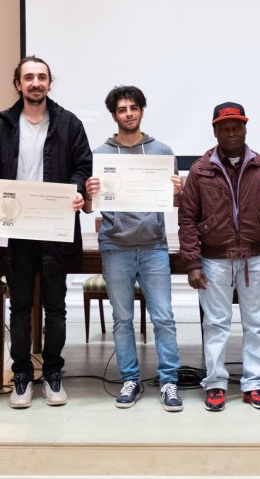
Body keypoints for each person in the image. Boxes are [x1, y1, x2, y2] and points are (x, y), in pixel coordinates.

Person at [0, 56, 92, 409]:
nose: (36, 82)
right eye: (29, 77)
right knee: (20, 307)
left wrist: (77, 190)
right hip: (15, 230)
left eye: (42, 77)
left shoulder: (69, 124)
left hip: (55, 228)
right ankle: (22, 375)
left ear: (49, 83)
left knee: (56, 308)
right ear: (18, 84)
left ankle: (54, 372)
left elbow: (83, 166)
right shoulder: (1, 126)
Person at [178, 102, 260, 412]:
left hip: (256, 257)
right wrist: (193, 263)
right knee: (216, 324)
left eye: (237, 127)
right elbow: (187, 219)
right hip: (214, 260)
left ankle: (255, 383)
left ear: (245, 129)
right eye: (224, 128)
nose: (231, 133)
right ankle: (215, 383)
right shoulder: (200, 170)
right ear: (215, 132)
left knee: (257, 323)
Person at [84, 86, 184, 412]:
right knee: (122, 319)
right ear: (114, 115)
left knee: (164, 317)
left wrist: (178, 191)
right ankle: (130, 379)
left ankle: (169, 382)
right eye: (122, 109)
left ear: (142, 110)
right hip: (115, 247)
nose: (128, 113)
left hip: (154, 246)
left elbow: (176, 203)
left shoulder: (161, 151)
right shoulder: (100, 154)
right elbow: (88, 207)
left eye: (133, 108)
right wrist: (89, 193)